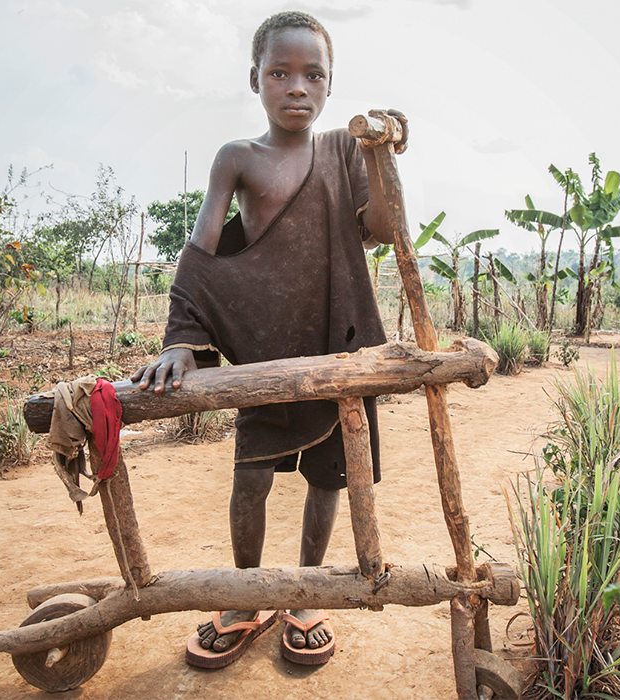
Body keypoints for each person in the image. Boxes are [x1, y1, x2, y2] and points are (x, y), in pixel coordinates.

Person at [132, 10, 406, 668]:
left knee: (328, 481)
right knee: (251, 479)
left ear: (331, 85)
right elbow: (202, 251)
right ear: (254, 78)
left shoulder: (346, 149)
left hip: (339, 346)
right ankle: (247, 597)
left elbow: (382, 228)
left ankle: (306, 593)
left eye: (313, 74)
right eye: (279, 73)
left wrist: (382, 157)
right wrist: (182, 337)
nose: (296, 87)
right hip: (268, 353)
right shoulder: (239, 158)